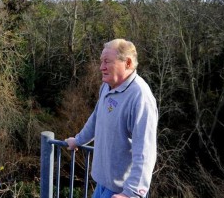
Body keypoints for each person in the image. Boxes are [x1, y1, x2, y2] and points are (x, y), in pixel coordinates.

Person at [65, 39, 158, 198]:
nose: (101, 67)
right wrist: (78, 140)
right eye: (101, 62)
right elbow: (96, 118)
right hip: (102, 186)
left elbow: (145, 152)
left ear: (127, 63)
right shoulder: (107, 86)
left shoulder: (140, 98)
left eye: (107, 62)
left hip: (122, 191)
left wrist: (131, 193)